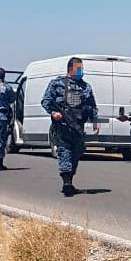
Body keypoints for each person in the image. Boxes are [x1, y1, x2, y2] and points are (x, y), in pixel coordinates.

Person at [41, 57, 99, 196]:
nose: (81, 71)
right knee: (64, 152)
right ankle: (67, 182)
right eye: (78, 68)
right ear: (70, 69)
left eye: (82, 68)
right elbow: (46, 101)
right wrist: (54, 113)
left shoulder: (86, 87)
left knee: (76, 154)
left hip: (78, 127)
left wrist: (95, 122)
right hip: (62, 126)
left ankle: (70, 177)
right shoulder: (57, 84)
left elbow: (91, 106)